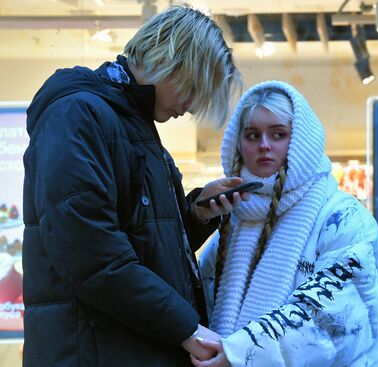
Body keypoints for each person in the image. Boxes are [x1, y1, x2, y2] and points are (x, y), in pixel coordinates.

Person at [22, 4, 242, 366]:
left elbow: (136, 244)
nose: (190, 108)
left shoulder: (132, 126)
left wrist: (195, 214)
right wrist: (187, 329)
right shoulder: (79, 115)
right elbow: (91, 255)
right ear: (175, 60)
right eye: (194, 88)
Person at [195, 81, 378, 367]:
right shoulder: (232, 225)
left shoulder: (343, 218)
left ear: (301, 140)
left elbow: (330, 318)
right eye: (252, 135)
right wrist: (195, 217)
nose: (264, 145)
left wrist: (240, 353)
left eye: (278, 134)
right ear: (238, 144)